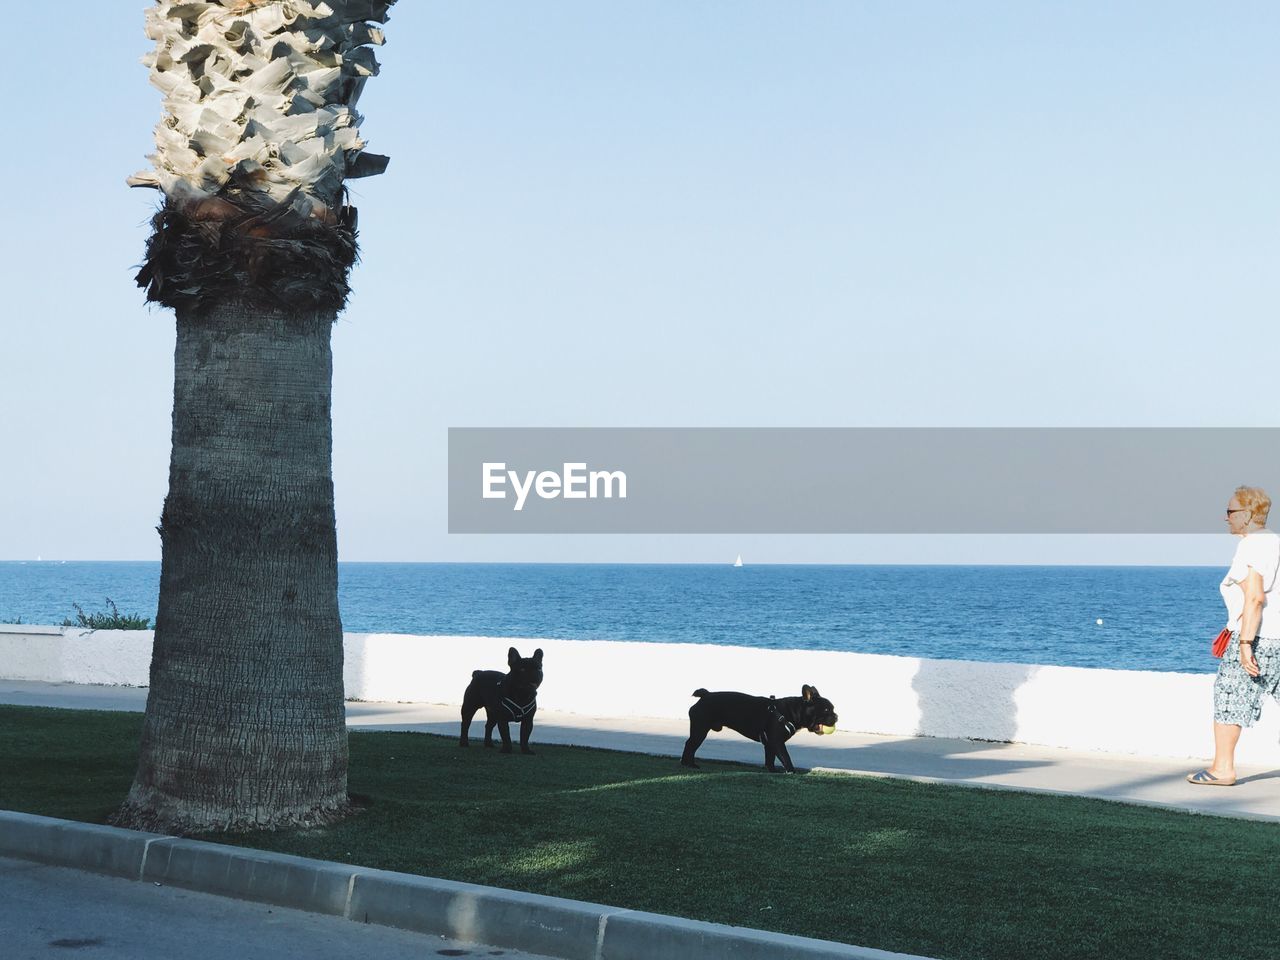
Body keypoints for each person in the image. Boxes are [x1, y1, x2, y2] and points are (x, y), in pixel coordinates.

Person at [1187, 485, 1280, 786]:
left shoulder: (1252, 545)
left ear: (1248, 515)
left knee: (1229, 695)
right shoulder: (1275, 542)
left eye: (1230, 512)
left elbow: (1255, 598)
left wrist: (1244, 644)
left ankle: (1222, 769)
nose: (1225, 518)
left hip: (1259, 637)